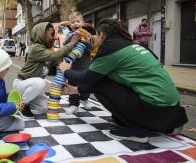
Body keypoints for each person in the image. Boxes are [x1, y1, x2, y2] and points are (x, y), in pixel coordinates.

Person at [60, 19, 188, 143]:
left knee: (100, 82)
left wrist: (66, 71)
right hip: (172, 109)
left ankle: (137, 132)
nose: (95, 38)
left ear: (102, 35)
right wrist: (76, 90)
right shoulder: (134, 45)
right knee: (118, 117)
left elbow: (87, 79)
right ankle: (166, 126)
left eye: (97, 35)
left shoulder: (110, 49)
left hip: (153, 110)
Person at [13, 22, 80, 119]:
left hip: (33, 87)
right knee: (41, 82)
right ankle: (21, 105)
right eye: (51, 34)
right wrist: (72, 43)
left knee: (45, 108)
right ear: (41, 34)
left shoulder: (46, 49)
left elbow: (59, 60)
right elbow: (55, 56)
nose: (54, 37)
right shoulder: (35, 48)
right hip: (22, 84)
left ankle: (29, 100)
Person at [63, 12, 94, 114]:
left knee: (86, 84)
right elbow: (65, 45)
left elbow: (90, 49)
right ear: (69, 24)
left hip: (85, 65)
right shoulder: (69, 34)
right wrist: (73, 37)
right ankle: (73, 104)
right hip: (73, 66)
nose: (76, 24)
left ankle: (85, 99)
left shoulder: (87, 34)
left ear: (82, 23)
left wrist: (88, 41)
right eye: (73, 22)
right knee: (72, 85)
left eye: (78, 21)